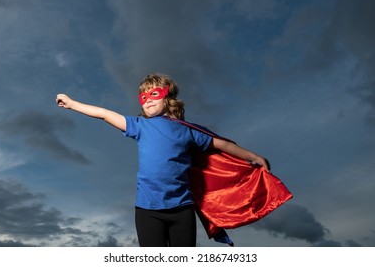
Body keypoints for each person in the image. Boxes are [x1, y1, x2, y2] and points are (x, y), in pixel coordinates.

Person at [56, 73, 270, 247]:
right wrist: (73, 103)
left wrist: (253, 157)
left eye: (153, 94)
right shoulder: (140, 125)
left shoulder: (189, 131)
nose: (147, 99)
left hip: (182, 210)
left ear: (168, 97)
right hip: (148, 211)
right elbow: (104, 113)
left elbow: (223, 145)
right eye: (143, 97)